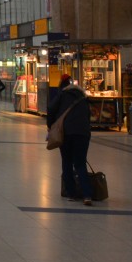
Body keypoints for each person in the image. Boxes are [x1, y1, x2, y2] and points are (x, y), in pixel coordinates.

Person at [47, 74, 93, 205]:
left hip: (66, 132)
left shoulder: (62, 95)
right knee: (80, 163)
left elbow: (51, 109)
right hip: (83, 133)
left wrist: (50, 125)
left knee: (67, 161)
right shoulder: (83, 98)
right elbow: (88, 116)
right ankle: (87, 195)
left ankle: (71, 193)